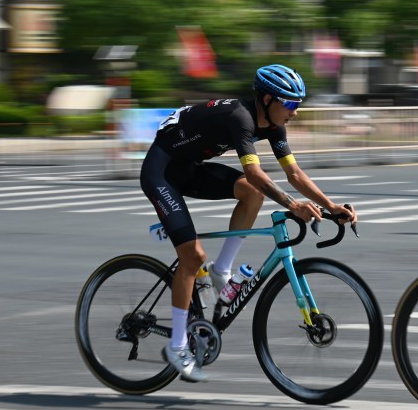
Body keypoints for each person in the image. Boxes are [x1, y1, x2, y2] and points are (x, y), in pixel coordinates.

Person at [140, 63, 357, 382]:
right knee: (192, 257)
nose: (295, 112)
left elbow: (293, 174)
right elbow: (255, 172)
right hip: (161, 173)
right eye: (291, 104)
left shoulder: (273, 124)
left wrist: (331, 205)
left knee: (252, 194)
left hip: (190, 167)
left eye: (298, 104)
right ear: (268, 99)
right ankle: (177, 346)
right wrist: (292, 205)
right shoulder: (240, 118)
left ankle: (221, 271)